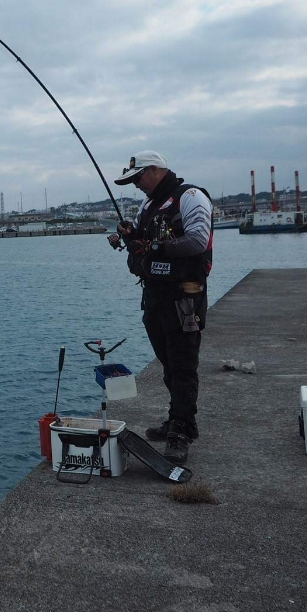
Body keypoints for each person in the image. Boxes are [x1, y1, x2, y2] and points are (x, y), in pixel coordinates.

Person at [109, 151, 213, 464]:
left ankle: (181, 431)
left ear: (155, 170)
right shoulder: (148, 205)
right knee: (168, 363)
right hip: (155, 297)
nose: (136, 185)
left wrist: (155, 247)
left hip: (184, 298)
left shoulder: (191, 197)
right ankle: (178, 420)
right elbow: (141, 240)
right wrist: (125, 237)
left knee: (182, 365)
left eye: (138, 177)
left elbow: (198, 240)